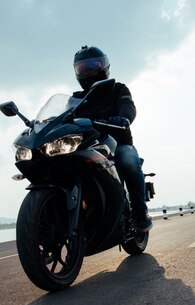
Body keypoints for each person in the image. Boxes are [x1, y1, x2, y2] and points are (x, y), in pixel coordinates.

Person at [72, 45, 152, 232]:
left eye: (93, 65)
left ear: (104, 66)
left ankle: (140, 213)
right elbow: (64, 115)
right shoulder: (76, 98)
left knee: (128, 162)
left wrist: (124, 117)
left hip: (118, 144)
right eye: (82, 68)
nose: (88, 71)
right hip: (88, 146)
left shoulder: (117, 89)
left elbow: (128, 105)